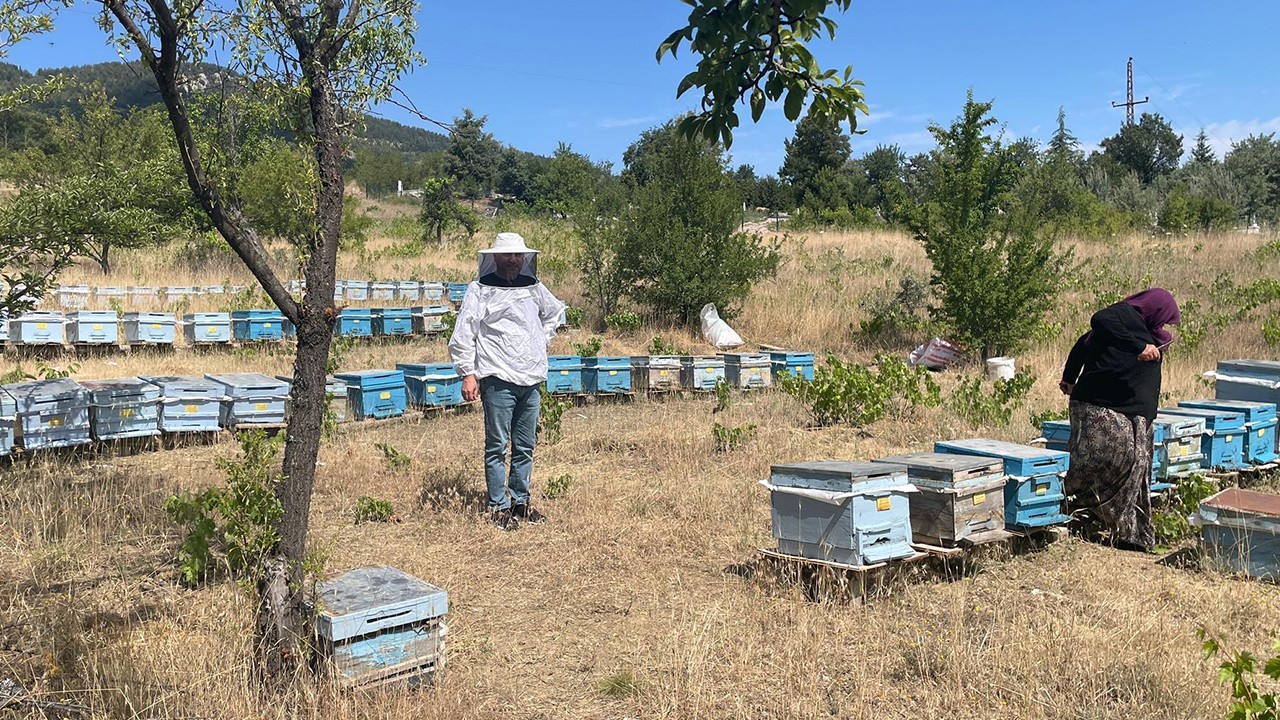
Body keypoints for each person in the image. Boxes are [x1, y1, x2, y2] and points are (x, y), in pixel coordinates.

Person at [449, 232, 566, 531]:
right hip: (497, 377)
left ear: (525, 258)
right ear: (495, 258)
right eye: (507, 255)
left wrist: (542, 338)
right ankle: (498, 507)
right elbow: (465, 331)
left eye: (518, 255)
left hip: (531, 377)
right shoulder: (480, 289)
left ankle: (520, 502)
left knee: (525, 445)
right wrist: (468, 373)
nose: (513, 260)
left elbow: (555, 311)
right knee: (497, 446)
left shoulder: (534, 286)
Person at [1059, 288, 1180, 551]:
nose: (1163, 325)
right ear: (1152, 308)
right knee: (1105, 458)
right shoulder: (1124, 317)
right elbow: (1096, 324)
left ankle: (1129, 533)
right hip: (1099, 404)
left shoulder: (1151, 334)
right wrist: (1069, 378)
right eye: (1163, 318)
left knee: (1137, 467)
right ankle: (1065, 502)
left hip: (1136, 413)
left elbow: (1085, 343)